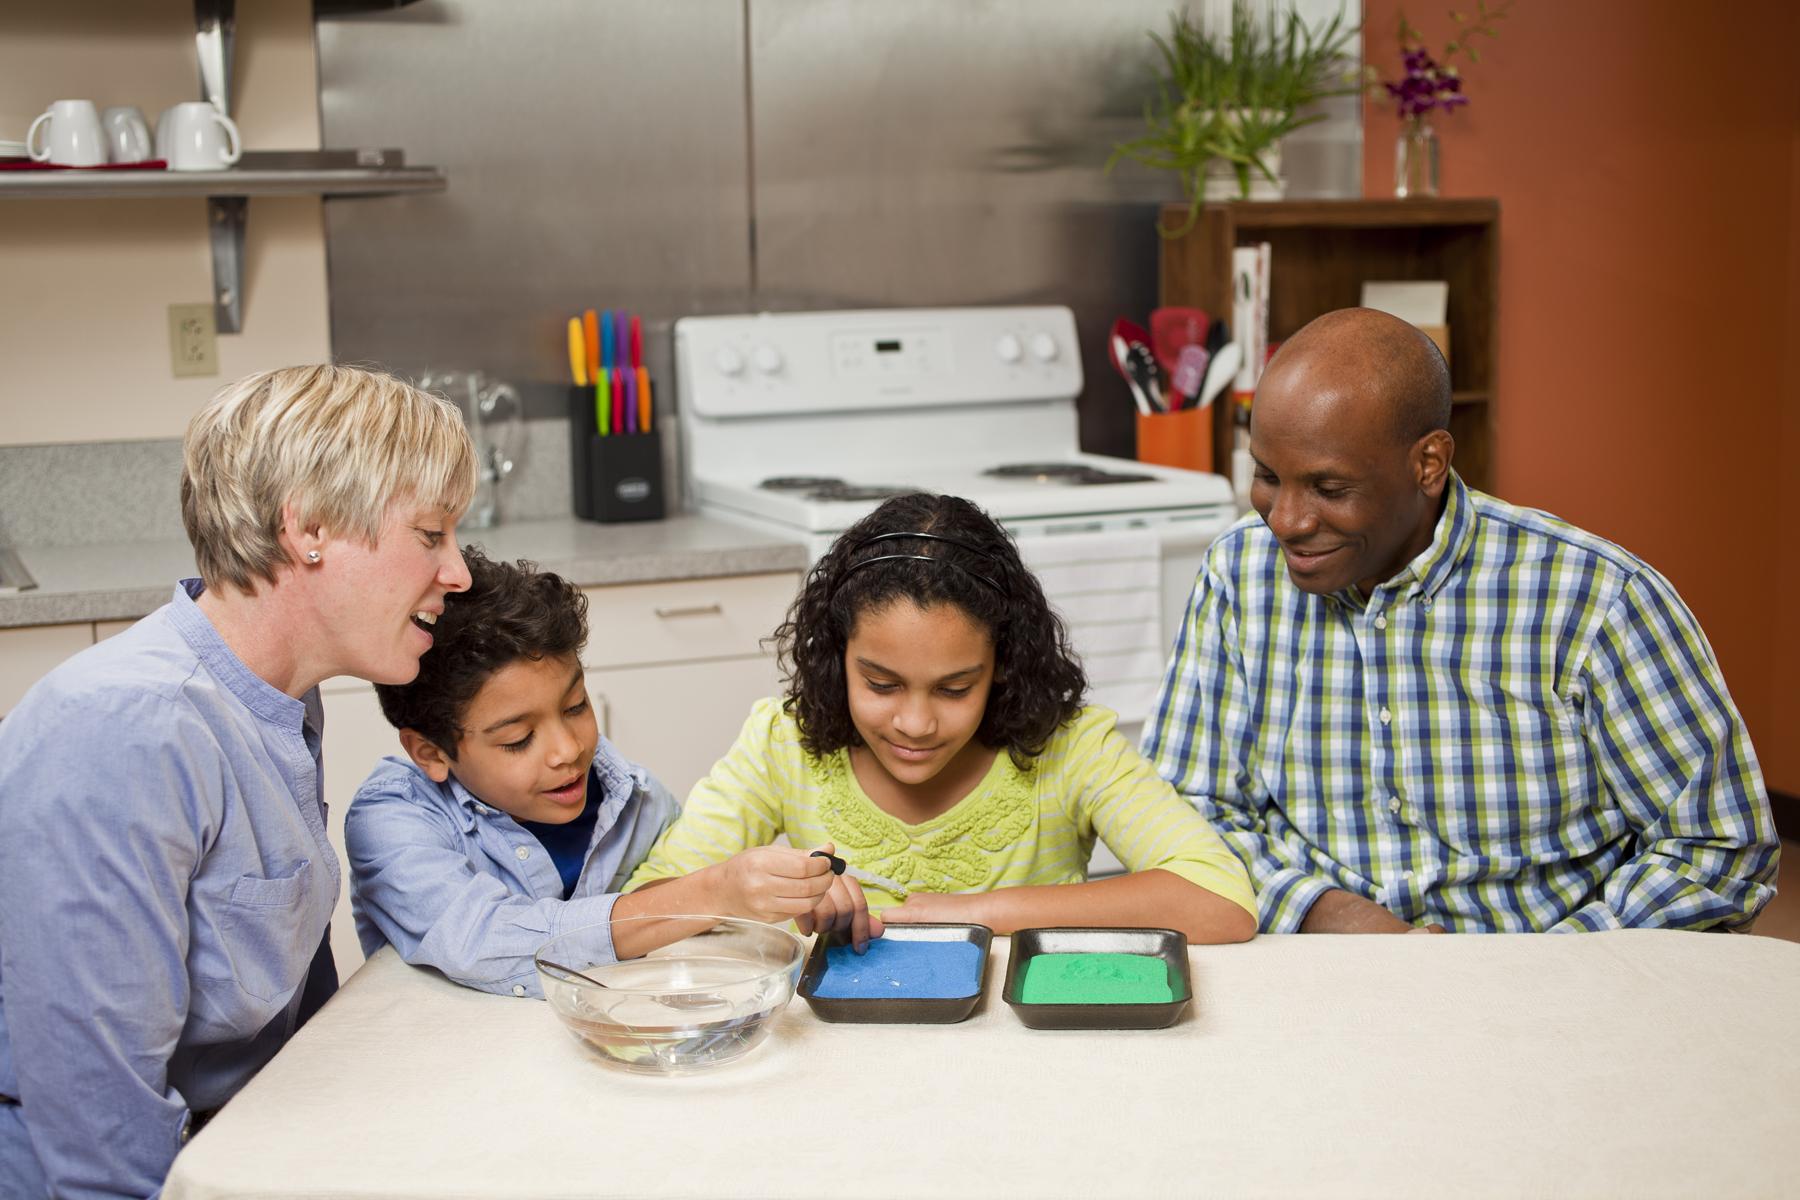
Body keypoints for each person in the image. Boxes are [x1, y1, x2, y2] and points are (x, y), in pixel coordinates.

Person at [1143, 307, 1779, 934]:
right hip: (1317, 972)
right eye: (1267, 477)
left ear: (1429, 463)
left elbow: (1717, 849)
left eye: (1329, 489)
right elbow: (1183, 809)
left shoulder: (1596, 600)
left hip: (1556, 989)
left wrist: (1542, 969)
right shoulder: (1238, 572)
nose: (1285, 520)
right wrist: (1326, 913)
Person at [0, 365, 477, 1198]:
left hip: (237, 1143)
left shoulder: (279, 698)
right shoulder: (128, 730)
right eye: (431, 535)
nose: (459, 573)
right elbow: (96, 1121)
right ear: (312, 528)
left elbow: (292, 994)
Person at [626, 493, 1259, 950]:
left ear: (1003, 664)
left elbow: (1221, 900)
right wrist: (737, 891)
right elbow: (629, 921)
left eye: (955, 688)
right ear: (835, 654)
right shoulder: (781, 744)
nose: (915, 723)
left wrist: (972, 911)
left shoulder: (1069, 747)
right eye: (880, 684)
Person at [345, 546, 844, 994]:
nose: (568, 750)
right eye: (518, 739)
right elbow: (483, 941)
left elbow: (684, 948)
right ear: (431, 753)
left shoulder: (638, 803)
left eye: (576, 707)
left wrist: (774, 897)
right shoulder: (394, 819)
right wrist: (713, 891)